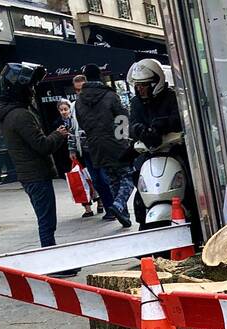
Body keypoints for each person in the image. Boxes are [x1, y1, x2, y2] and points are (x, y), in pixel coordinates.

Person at [0, 63, 70, 248]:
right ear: (20, 89)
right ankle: (52, 259)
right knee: (47, 221)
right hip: (36, 174)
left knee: (45, 218)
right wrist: (58, 135)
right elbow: (42, 145)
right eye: (30, 87)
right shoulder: (20, 115)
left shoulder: (10, 113)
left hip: (29, 174)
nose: (33, 91)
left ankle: (52, 256)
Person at [127, 58, 200, 241]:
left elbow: (182, 119)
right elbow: (132, 125)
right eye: (138, 85)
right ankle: (143, 221)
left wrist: (162, 125)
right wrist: (138, 130)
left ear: (156, 82)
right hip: (150, 152)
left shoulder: (172, 97)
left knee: (192, 183)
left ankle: (198, 224)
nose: (140, 89)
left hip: (175, 150)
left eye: (144, 85)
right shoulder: (136, 103)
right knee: (139, 182)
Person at [72, 64, 133, 227]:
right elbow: (122, 118)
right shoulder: (110, 96)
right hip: (115, 144)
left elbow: (82, 124)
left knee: (113, 180)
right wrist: (123, 140)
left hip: (95, 146)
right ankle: (119, 205)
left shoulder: (79, 101)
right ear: (100, 76)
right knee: (128, 176)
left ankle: (124, 216)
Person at [71, 72, 113, 219]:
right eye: (76, 90)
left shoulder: (98, 100)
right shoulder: (75, 105)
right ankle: (110, 208)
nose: (80, 92)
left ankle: (115, 208)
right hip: (86, 149)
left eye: (81, 88)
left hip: (101, 146)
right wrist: (72, 148)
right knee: (96, 181)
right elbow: (73, 127)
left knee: (105, 178)